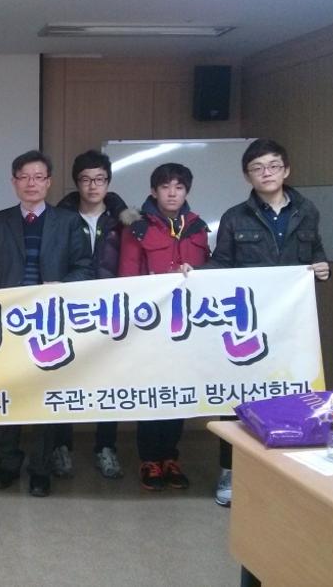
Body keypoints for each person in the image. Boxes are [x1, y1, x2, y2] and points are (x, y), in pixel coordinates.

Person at [200, 138, 329, 507]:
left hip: (292, 324)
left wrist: (323, 268)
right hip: (248, 324)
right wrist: (195, 274)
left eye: (273, 166)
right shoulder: (234, 216)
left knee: (291, 394)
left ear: (286, 170)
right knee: (238, 396)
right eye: (257, 168)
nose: (266, 173)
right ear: (247, 176)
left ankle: (285, 473)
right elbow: (222, 263)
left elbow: (315, 254)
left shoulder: (307, 210)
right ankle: (230, 470)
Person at [0, 150, 93, 497]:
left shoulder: (68, 221)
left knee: (47, 397)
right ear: (14, 182)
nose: (31, 183)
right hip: (8, 322)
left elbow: (84, 268)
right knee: (8, 394)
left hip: (51, 322)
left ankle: (41, 468)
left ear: (49, 182)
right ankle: (8, 462)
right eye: (24, 177)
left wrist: (61, 287)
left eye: (38, 177)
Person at [118, 162, 210, 492]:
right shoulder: (137, 227)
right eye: (165, 187)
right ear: (154, 191)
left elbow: (210, 273)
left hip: (187, 324)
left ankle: (170, 457)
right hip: (150, 326)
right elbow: (127, 278)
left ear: (186, 191)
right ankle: (149, 459)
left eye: (179, 187)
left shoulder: (197, 227)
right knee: (152, 391)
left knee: (178, 392)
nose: (172, 193)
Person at [56, 149, 128, 479]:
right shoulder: (60, 218)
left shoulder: (124, 221)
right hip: (70, 308)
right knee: (63, 376)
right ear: (77, 183)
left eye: (100, 179)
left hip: (112, 308)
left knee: (108, 379)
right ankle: (61, 446)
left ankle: (106, 447)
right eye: (86, 179)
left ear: (108, 182)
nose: (93, 186)